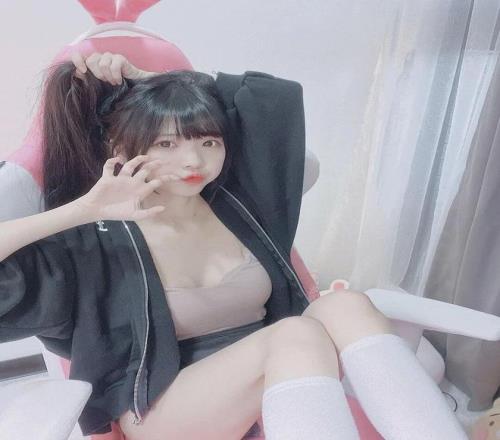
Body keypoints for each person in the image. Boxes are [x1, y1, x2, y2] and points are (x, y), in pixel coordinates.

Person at [0, 53, 468, 440]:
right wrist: (83, 210)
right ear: (119, 149)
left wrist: (161, 82)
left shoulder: (238, 202)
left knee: (346, 304)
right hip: (164, 404)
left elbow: (270, 100)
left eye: (208, 141)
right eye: (165, 144)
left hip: (277, 367)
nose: (193, 161)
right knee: (295, 333)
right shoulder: (91, 242)